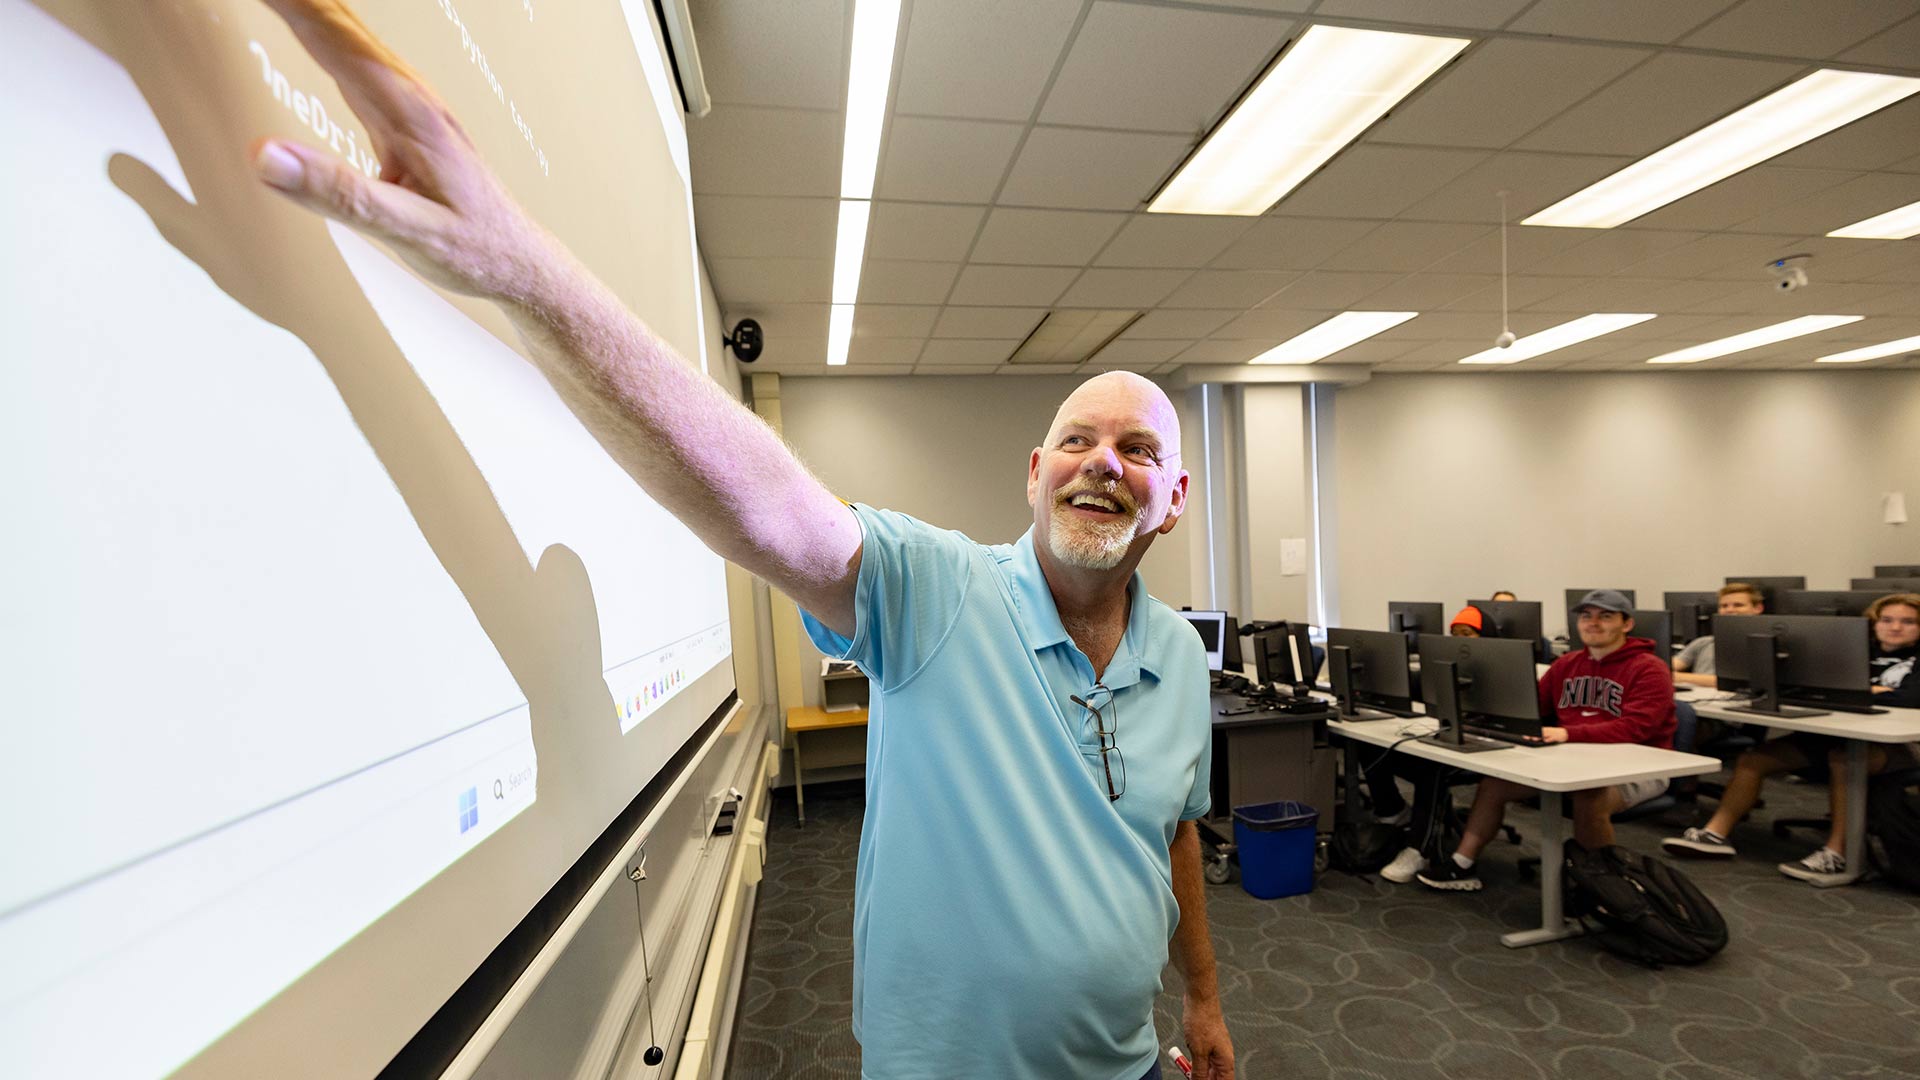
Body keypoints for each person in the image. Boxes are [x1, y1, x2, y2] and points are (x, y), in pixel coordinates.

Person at [239, 6, 1231, 1077]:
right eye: (1075, 439)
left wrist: (1207, 999)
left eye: (1136, 449)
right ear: (1033, 477)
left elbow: (1170, 833)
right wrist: (522, 268)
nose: (1101, 461)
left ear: (1171, 500)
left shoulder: (1179, 657)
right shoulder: (939, 593)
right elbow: (764, 505)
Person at [1418, 590, 1675, 892]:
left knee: (1589, 795)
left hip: (1640, 765)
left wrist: (1569, 733)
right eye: (1586, 616)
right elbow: (1532, 709)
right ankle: (1462, 864)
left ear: (1627, 624)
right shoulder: (1566, 665)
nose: (1593, 623)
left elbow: (1637, 728)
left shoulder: (1649, 668)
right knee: (1493, 785)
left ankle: (1602, 888)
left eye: (1605, 616)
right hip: (1573, 758)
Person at [1665, 592, 1920, 882]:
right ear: (1874, 623)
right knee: (1754, 759)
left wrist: (1863, 693)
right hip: (1839, 733)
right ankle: (1714, 834)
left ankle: (1839, 855)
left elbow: (1910, 698)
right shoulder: (1855, 649)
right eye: (1887, 620)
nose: (1895, 627)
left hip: (1901, 744)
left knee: (1845, 760)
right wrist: (1872, 693)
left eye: (1908, 622)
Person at [1671, 582, 1764, 687]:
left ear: (1758, 608)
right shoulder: (1704, 642)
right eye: (1724, 606)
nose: (1729, 610)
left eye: (1738, 605)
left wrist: (1674, 676)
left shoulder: (1762, 646)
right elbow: (1667, 667)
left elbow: (1731, 682)